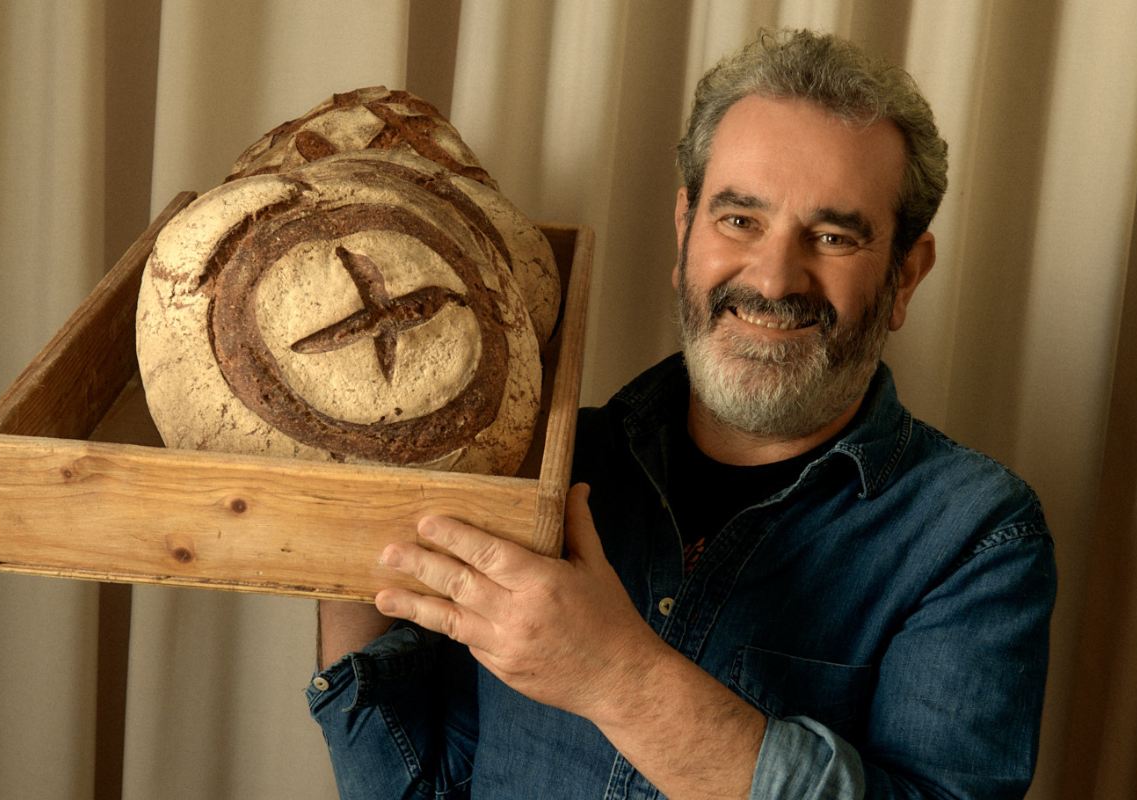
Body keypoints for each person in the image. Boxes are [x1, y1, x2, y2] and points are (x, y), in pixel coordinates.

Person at [307, 28, 1056, 800]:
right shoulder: (545, 463)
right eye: (739, 220)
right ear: (684, 230)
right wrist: (351, 497)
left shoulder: (976, 539)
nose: (772, 279)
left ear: (905, 275)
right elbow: (418, 782)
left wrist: (615, 678)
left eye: (832, 236)